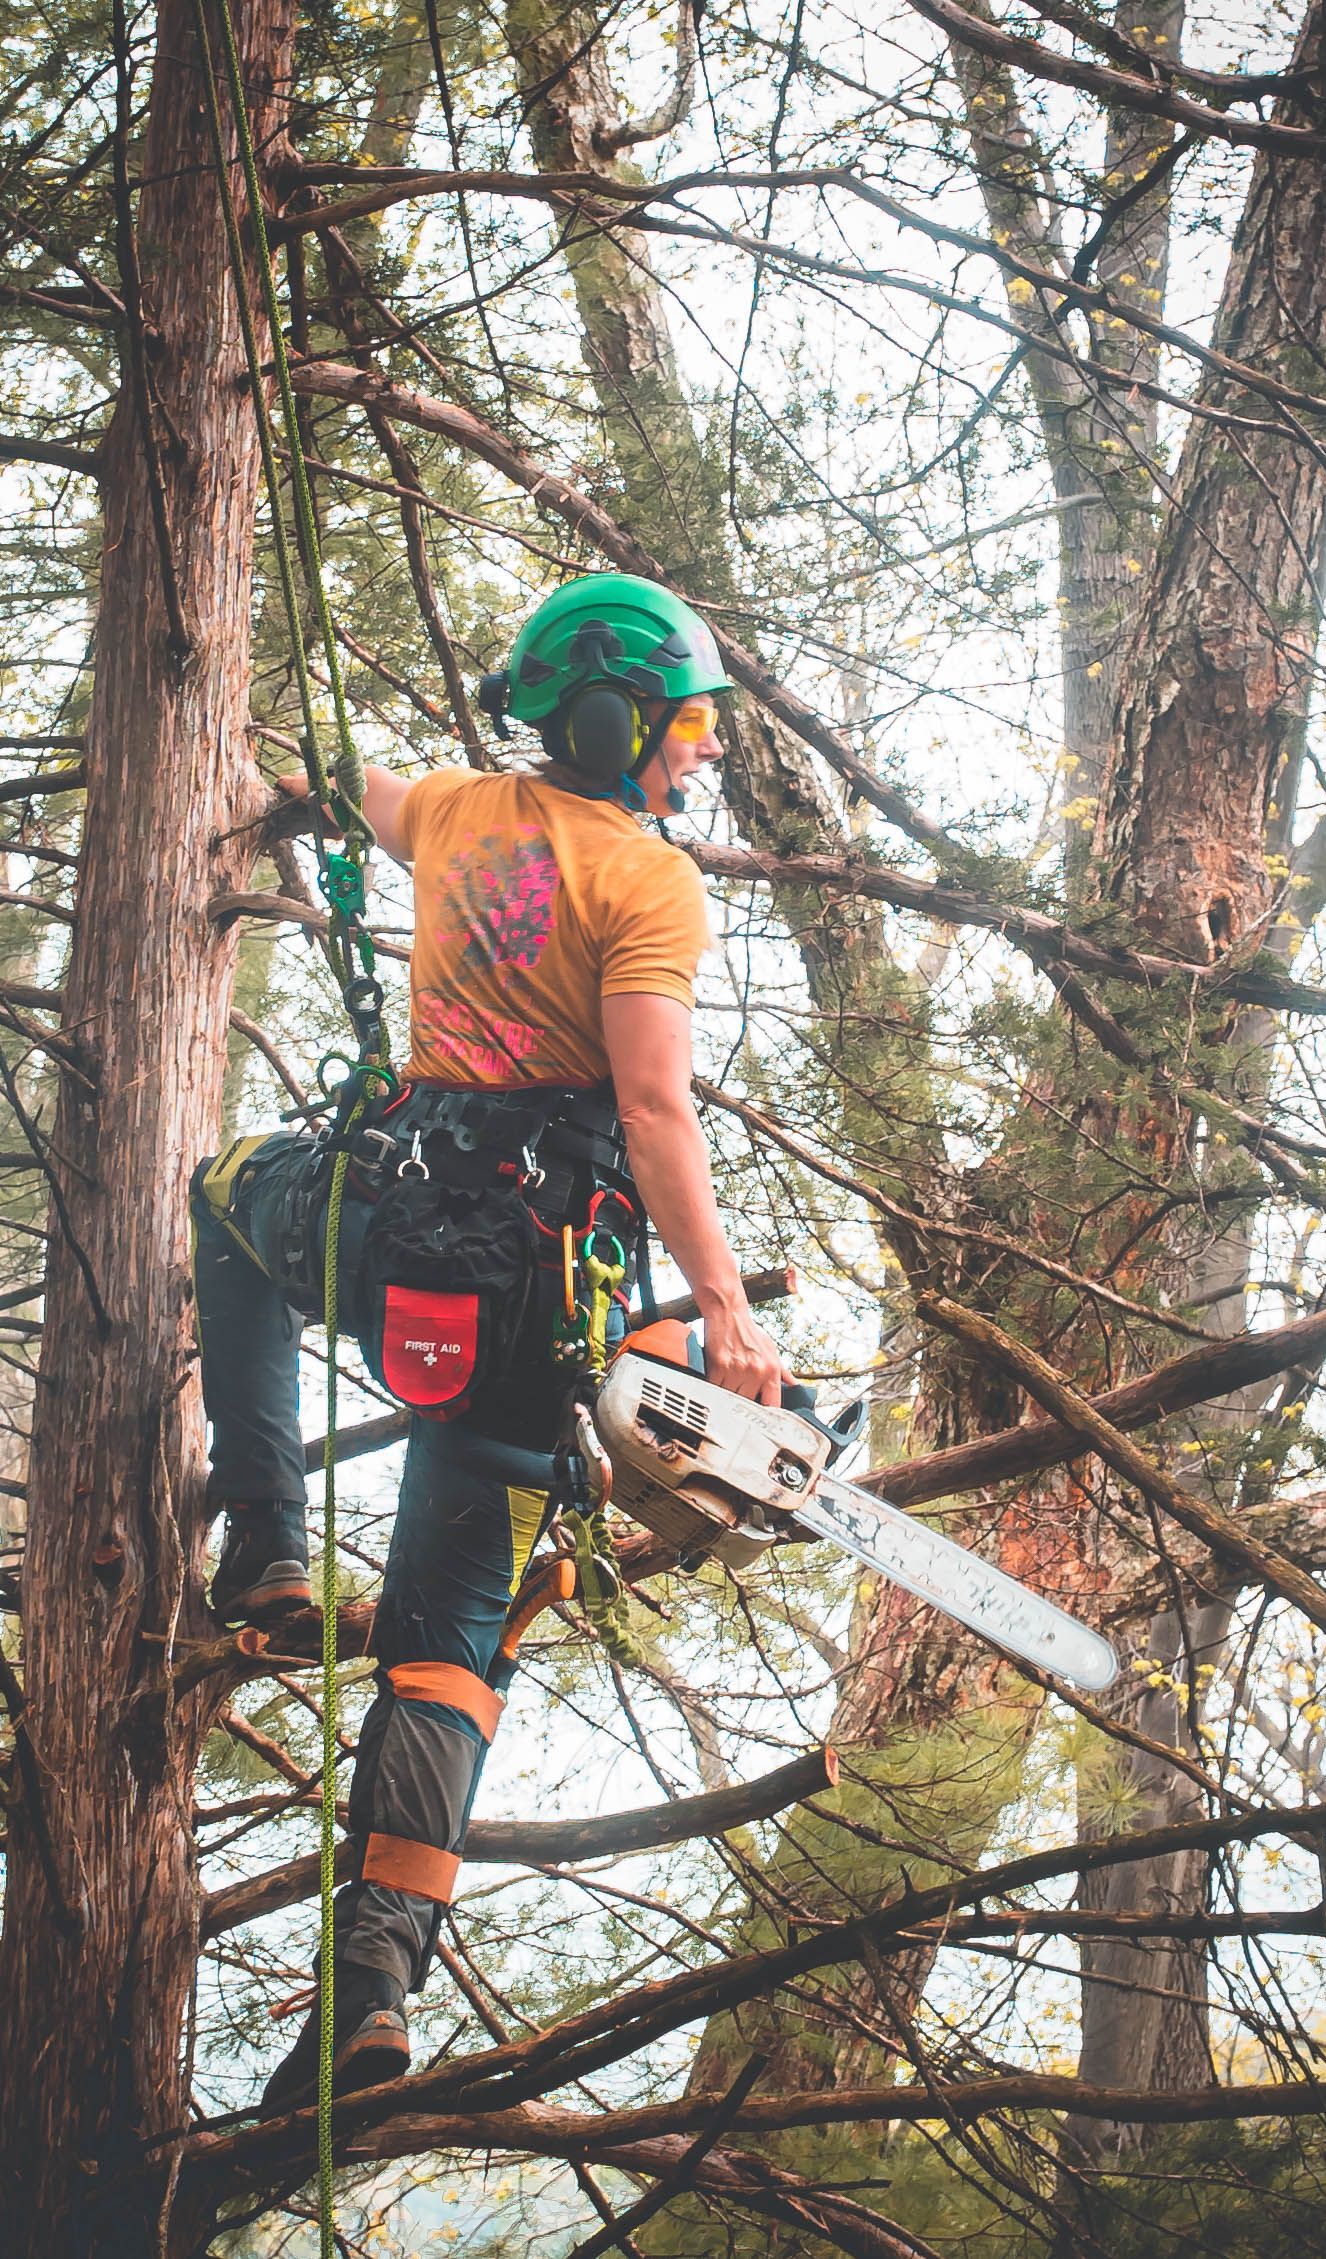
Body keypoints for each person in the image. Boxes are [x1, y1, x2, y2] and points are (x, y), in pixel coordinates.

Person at [189, 572, 792, 2107]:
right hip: (534, 1310)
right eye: (690, 725)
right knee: (446, 1643)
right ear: (614, 720)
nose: (702, 753)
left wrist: (289, 793)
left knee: (224, 1201)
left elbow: (362, 793)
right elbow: (653, 1109)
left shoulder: (456, 812)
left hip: (390, 1245)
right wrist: (718, 1307)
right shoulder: (649, 886)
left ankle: (265, 1539)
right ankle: (369, 1995)